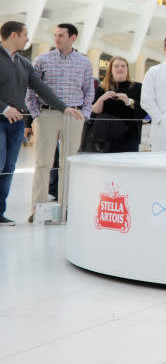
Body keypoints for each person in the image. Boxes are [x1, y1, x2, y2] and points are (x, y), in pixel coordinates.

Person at [0, 22, 80, 226]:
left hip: (15, 124)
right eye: (25, 35)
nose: (28, 39)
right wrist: (4, 108)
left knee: (8, 168)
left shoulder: (23, 63)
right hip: (1, 119)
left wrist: (64, 108)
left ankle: (0, 212)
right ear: (13, 35)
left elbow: (41, 89)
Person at [24, 23, 90, 219]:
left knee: (69, 164)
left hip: (75, 117)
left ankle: (66, 209)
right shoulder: (42, 60)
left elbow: (89, 91)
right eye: (55, 35)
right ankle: (38, 211)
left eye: (61, 35)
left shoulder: (84, 62)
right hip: (48, 115)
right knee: (43, 164)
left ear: (73, 37)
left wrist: (85, 114)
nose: (57, 39)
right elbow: (30, 91)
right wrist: (37, 115)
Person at [88, 56, 146, 152]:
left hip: (130, 137)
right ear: (111, 69)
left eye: (123, 66)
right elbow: (95, 110)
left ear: (127, 69)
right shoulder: (101, 88)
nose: (120, 69)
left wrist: (129, 101)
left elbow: (144, 112)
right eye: (116, 66)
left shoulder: (137, 87)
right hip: (106, 139)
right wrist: (102, 98)